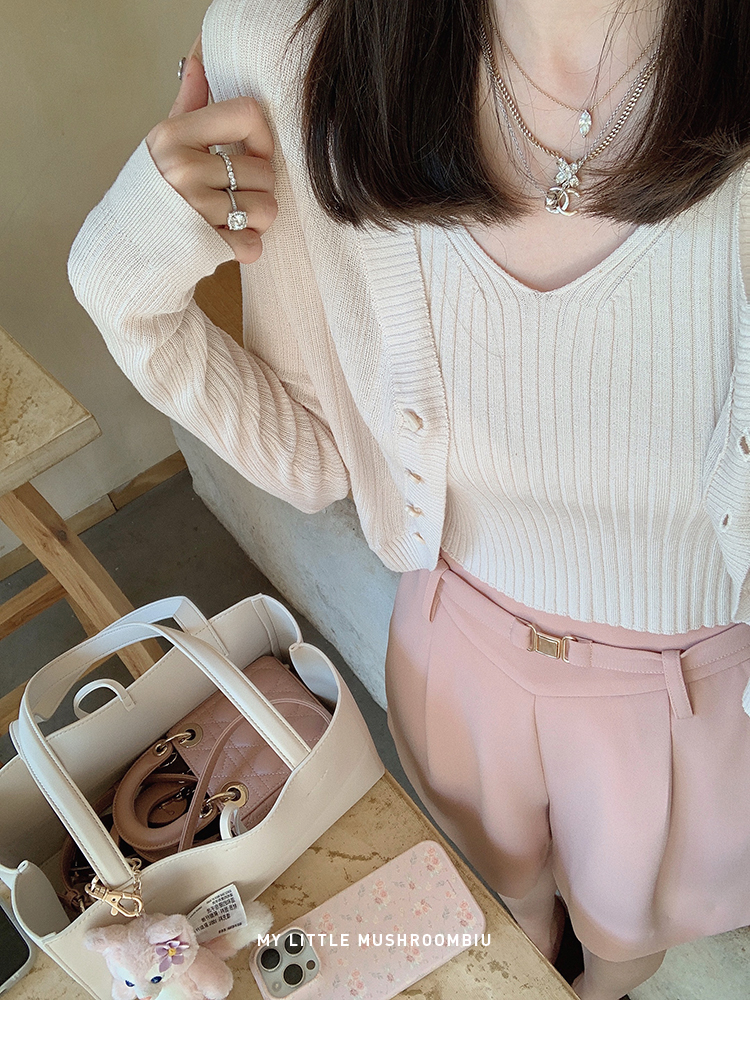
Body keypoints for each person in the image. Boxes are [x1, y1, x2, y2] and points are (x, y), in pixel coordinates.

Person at [68, 0, 750, 999]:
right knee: (504, 893)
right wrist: (122, 275)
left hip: (693, 695)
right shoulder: (293, 46)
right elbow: (311, 455)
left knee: (624, 941)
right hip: (456, 645)